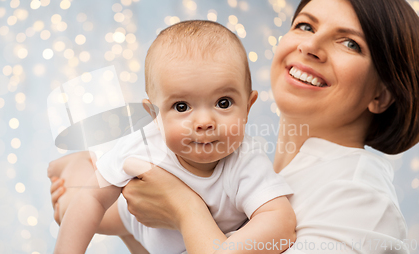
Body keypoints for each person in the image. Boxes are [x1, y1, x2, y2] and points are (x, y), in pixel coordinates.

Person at [49, 0, 419, 253]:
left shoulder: (358, 196)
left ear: (382, 95)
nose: (310, 46)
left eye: (350, 43)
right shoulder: (272, 168)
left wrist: (182, 207)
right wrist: (109, 205)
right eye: (305, 25)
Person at [50, 20, 296, 254]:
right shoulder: (142, 145)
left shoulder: (245, 161)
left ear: (248, 107)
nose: (204, 123)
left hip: (182, 242)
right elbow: (91, 198)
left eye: (223, 103)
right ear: (154, 116)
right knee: (70, 206)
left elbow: (281, 222)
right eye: (181, 107)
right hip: (134, 216)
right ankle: (78, 163)